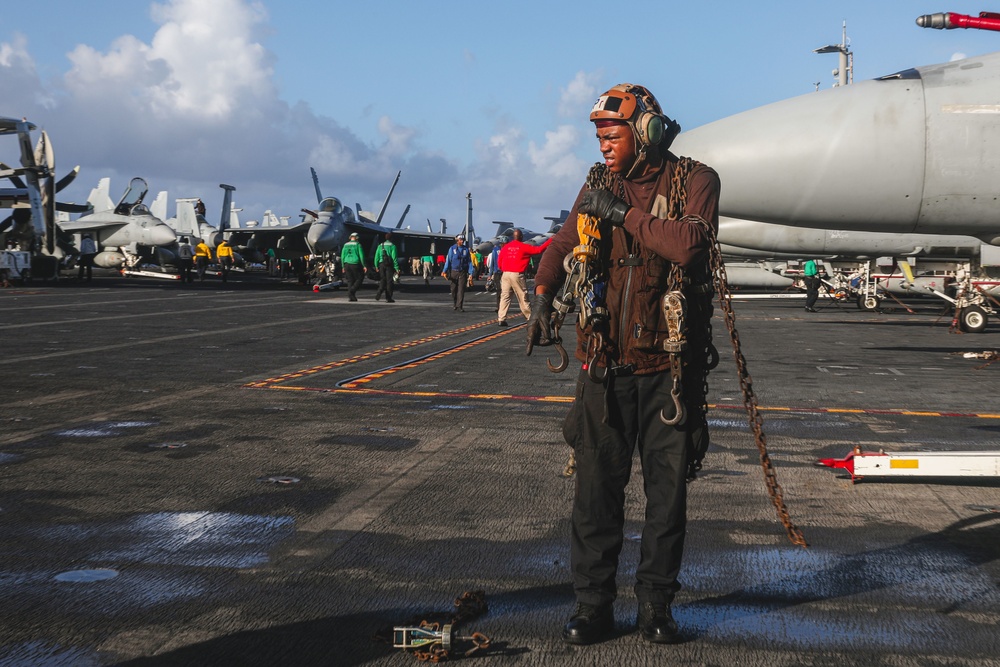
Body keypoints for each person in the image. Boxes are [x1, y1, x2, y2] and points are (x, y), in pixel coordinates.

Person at [525, 83, 720, 646]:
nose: (603, 144)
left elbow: (687, 245)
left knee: (666, 499)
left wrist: (625, 214)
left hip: (669, 371)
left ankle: (656, 607)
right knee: (595, 496)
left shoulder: (696, 181)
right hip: (604, 366)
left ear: (647, 131)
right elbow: (565, 243)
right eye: (598, 136)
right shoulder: (596, 182)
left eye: (611, 134)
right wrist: (542, 293)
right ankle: (593, 607)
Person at [497, 230, 552, 327]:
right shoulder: (524, 247)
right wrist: (550, 240)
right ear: (521, 237)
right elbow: (539, 250)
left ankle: (501, 318)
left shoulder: (505, 247)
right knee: (522, 296)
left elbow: (499, 261)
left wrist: (504, 269)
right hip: (517, 274)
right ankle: (530, 317)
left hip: (505, 274)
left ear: (513, 237)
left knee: (505, 297)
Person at [441, 234, 471, 311]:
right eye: (460, 240)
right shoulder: (452, 249)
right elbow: (448, 260)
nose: (462, 241)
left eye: (463, 240)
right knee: (453, 289)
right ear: (457, 240)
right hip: (454, 271)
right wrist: (444, 270)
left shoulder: (466, 250)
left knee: (461, 289)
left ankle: (460, 306)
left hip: (462, 272)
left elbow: (469, 261)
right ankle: (455, 303)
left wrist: (471, 273)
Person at [341, 232, 367, 301]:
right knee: (360, 278)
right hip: (355, 264)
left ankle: (352, 297)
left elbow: (342, 256)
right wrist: (364, 265)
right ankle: (352, 290)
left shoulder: (345, 245)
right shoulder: (358, 245)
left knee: (350, 280)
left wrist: (343, 266)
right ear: (357, 238)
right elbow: (361, 256)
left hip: (346, 264)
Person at [374, 232, 399, 302]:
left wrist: (376, 266)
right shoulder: (393, 246)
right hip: (389, 266)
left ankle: (379, 292)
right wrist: (397, 268)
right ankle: (388, 298)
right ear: (391, 238)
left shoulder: (380, 246)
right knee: (389, 282)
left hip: (381, 264)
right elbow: (394, 258)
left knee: (382, 279)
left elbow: (376, 257)